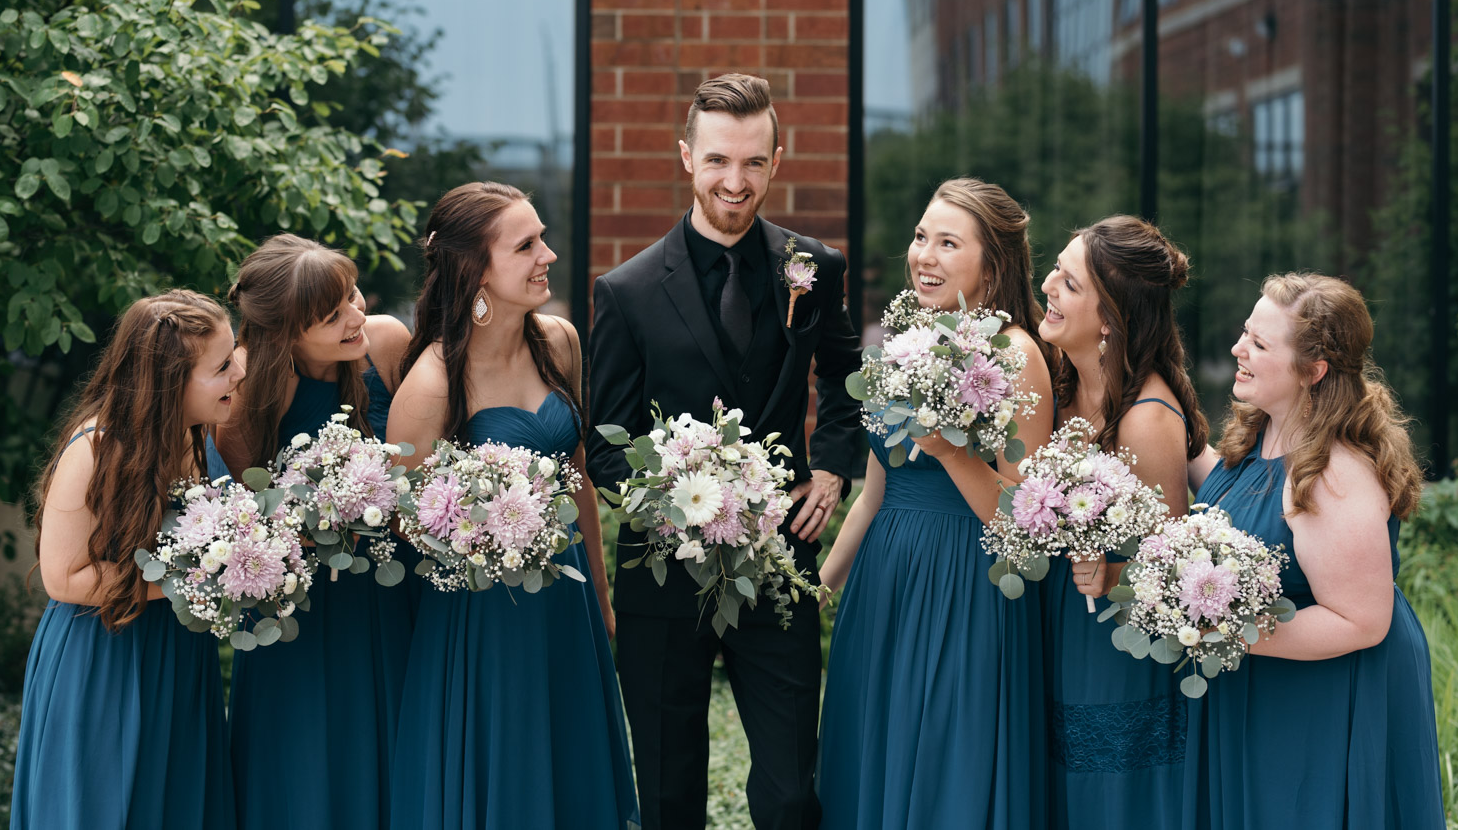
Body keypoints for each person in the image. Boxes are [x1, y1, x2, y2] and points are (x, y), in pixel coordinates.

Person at [587, 73, 867, 830]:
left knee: (789, 794)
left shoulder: (816, 268)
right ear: (686, 158)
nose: (734, 182)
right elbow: (603, 446)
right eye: (717, 161)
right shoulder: (626, 291)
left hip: (779, 570)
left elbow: (847, 378)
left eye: (752, 162)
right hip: (663, 579)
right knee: (671, 797)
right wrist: (679, 503)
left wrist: (834, 465)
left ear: (777, 160)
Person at [387, 182, 637, 830]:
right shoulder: (433, 383)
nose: (547, 255)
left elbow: (576, 479)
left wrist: (602, 604)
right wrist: (479, 525)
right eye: (526, 246)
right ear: (475, 269)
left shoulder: (558, 341)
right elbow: (403, 523)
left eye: (543, 239)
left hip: (567, 598)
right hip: (482, 621)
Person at [815, 178, 1054, 828]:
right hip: (884, 591)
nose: (924, 255)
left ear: (993, 263)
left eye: (949, 242)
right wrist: (815, 592)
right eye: (922, 237)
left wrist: (951, 453)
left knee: (949, 769)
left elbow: (1024, 523)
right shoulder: (903, 347)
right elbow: (871, 496)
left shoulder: (1016, 354)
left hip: (967, 593)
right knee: (876, 761)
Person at [1183, 274, 1445, 829]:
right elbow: (1249, 504)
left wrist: (1225, 631)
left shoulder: (1336, 474)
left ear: (1313, 371)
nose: (1238, 349)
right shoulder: (1265, 434)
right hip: (1272, 683)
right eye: (1243, 334)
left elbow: (1362, 620)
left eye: (1259, 344)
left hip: (1323, 699)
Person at [13, 290, 245, 829]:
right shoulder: (93, 450)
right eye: (222, 365)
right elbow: (63, 577)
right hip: (104, 654)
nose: (238, 373)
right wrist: (197, 579)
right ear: (171, 380)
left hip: (176, 652)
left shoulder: (193, 438)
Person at [217, 234, 416, 830]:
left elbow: (429, 455)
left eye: (354, 296)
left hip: (392, 585)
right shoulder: (248, 386)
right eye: (333, 316)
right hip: (303, 607)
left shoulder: (386, 343)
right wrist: (319, 515)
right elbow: (248, 517)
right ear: (286, 333)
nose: (357, 316)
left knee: (397, 742)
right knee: (306, 759)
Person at [1037, 215, 1207, 827]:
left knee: (1111, 803)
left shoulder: (1147, 419)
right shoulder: (1058, 387)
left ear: (1110, 318)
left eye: (1070, 283)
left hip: (1120, 653)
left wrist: (1113, 576)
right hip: (1059, 627)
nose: (1048, 284)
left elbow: (1175, 573)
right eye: (1055, 268)